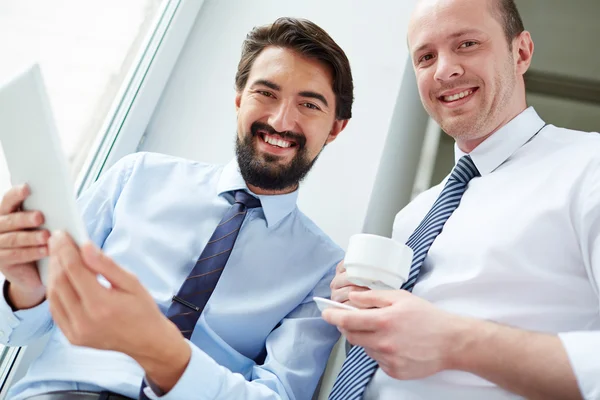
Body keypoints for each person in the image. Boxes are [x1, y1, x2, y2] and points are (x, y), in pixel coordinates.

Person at [0, 17, 354, 400]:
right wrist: (24, 289)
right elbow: (18, 330)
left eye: (308, 104)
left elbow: (279, 395)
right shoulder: (136, 177)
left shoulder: (325, 270)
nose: (281, 120)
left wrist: (167, 357)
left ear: (335, 129)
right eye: (265, 94)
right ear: (239, 100)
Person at [323, 0, 599, 399]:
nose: (444, 70)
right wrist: (365, 315)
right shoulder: (413, 216)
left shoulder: (590, 168)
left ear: (520, 52)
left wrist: (456, 342)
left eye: (467, 44)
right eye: (425, 56)